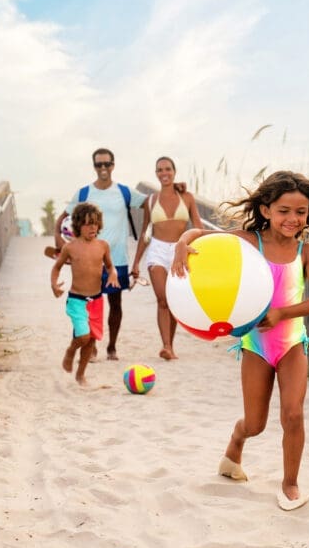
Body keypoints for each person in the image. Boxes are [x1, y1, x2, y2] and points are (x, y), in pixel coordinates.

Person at [171, 170, 309, 511]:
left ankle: (290, 483)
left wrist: (283, 314)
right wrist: (183, 244)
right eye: (284, 211)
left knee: (293, 414)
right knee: (255, 423)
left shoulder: (308, 252)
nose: (293, 219)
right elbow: (201, 234)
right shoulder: (249, 242)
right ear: (266, 210)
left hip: (292, 343)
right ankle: (236, 442)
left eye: (300, 212)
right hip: (255, 347)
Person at [55, 148, 148, 361]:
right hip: (89, 261)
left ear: (113, 165)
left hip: (118, 260)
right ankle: (92, 346)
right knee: (89, 304)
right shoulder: (84, 193)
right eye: (99, 165)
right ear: (94, 167)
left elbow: (151, 202)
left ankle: (112, 347)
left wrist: (176, 190)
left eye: (107, 164)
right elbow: (62, 218)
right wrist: (59, 242)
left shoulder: (125, 192)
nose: (103, 168)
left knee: (115, 304)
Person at [131, 156, 204, 361]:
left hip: (179, 251)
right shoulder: (151, 200)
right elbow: (145, 233)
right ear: (156, 173)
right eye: (160, 170)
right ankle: (166, 346)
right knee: (163, 299)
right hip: (157, 251)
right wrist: (136, 262)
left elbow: (198, 226)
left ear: (174, 171)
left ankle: (170, 346)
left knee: (173, 300)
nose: (164, 173)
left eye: (168, 169)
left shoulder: (187, 197)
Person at [50, 203, 119, 385]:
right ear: (79, 225)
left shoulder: (103, 246)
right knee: (83, 336)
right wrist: (54, 284)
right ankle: (71, 351)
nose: (93, 227)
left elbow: (110, 266)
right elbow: (56, 267)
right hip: (77, 300)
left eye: (96, 224)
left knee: (91, 341)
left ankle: (81, 374)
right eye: (88, 224)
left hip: (96, 300)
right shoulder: (70, 248)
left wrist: (112, 274)